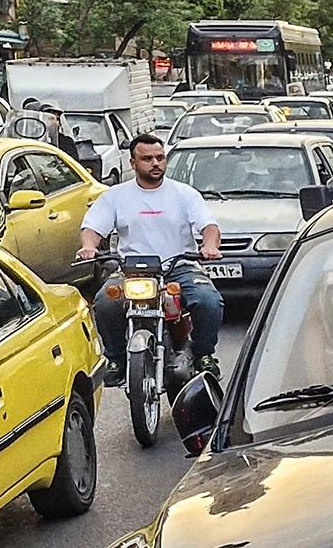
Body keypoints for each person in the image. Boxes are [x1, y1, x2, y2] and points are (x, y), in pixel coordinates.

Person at [78, 134, 226, 383]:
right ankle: (116, 358)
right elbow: (92, 228)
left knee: (209, 301)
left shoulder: (184, 194)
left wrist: (209, 245)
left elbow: (209, 226)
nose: (155, 163)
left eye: (160, 157)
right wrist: (88, 247)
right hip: (131, 271)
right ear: (133, 163)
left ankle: (204, 354)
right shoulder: (115, 196)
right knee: (105, 302)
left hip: (179, 267)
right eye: (147, 159)